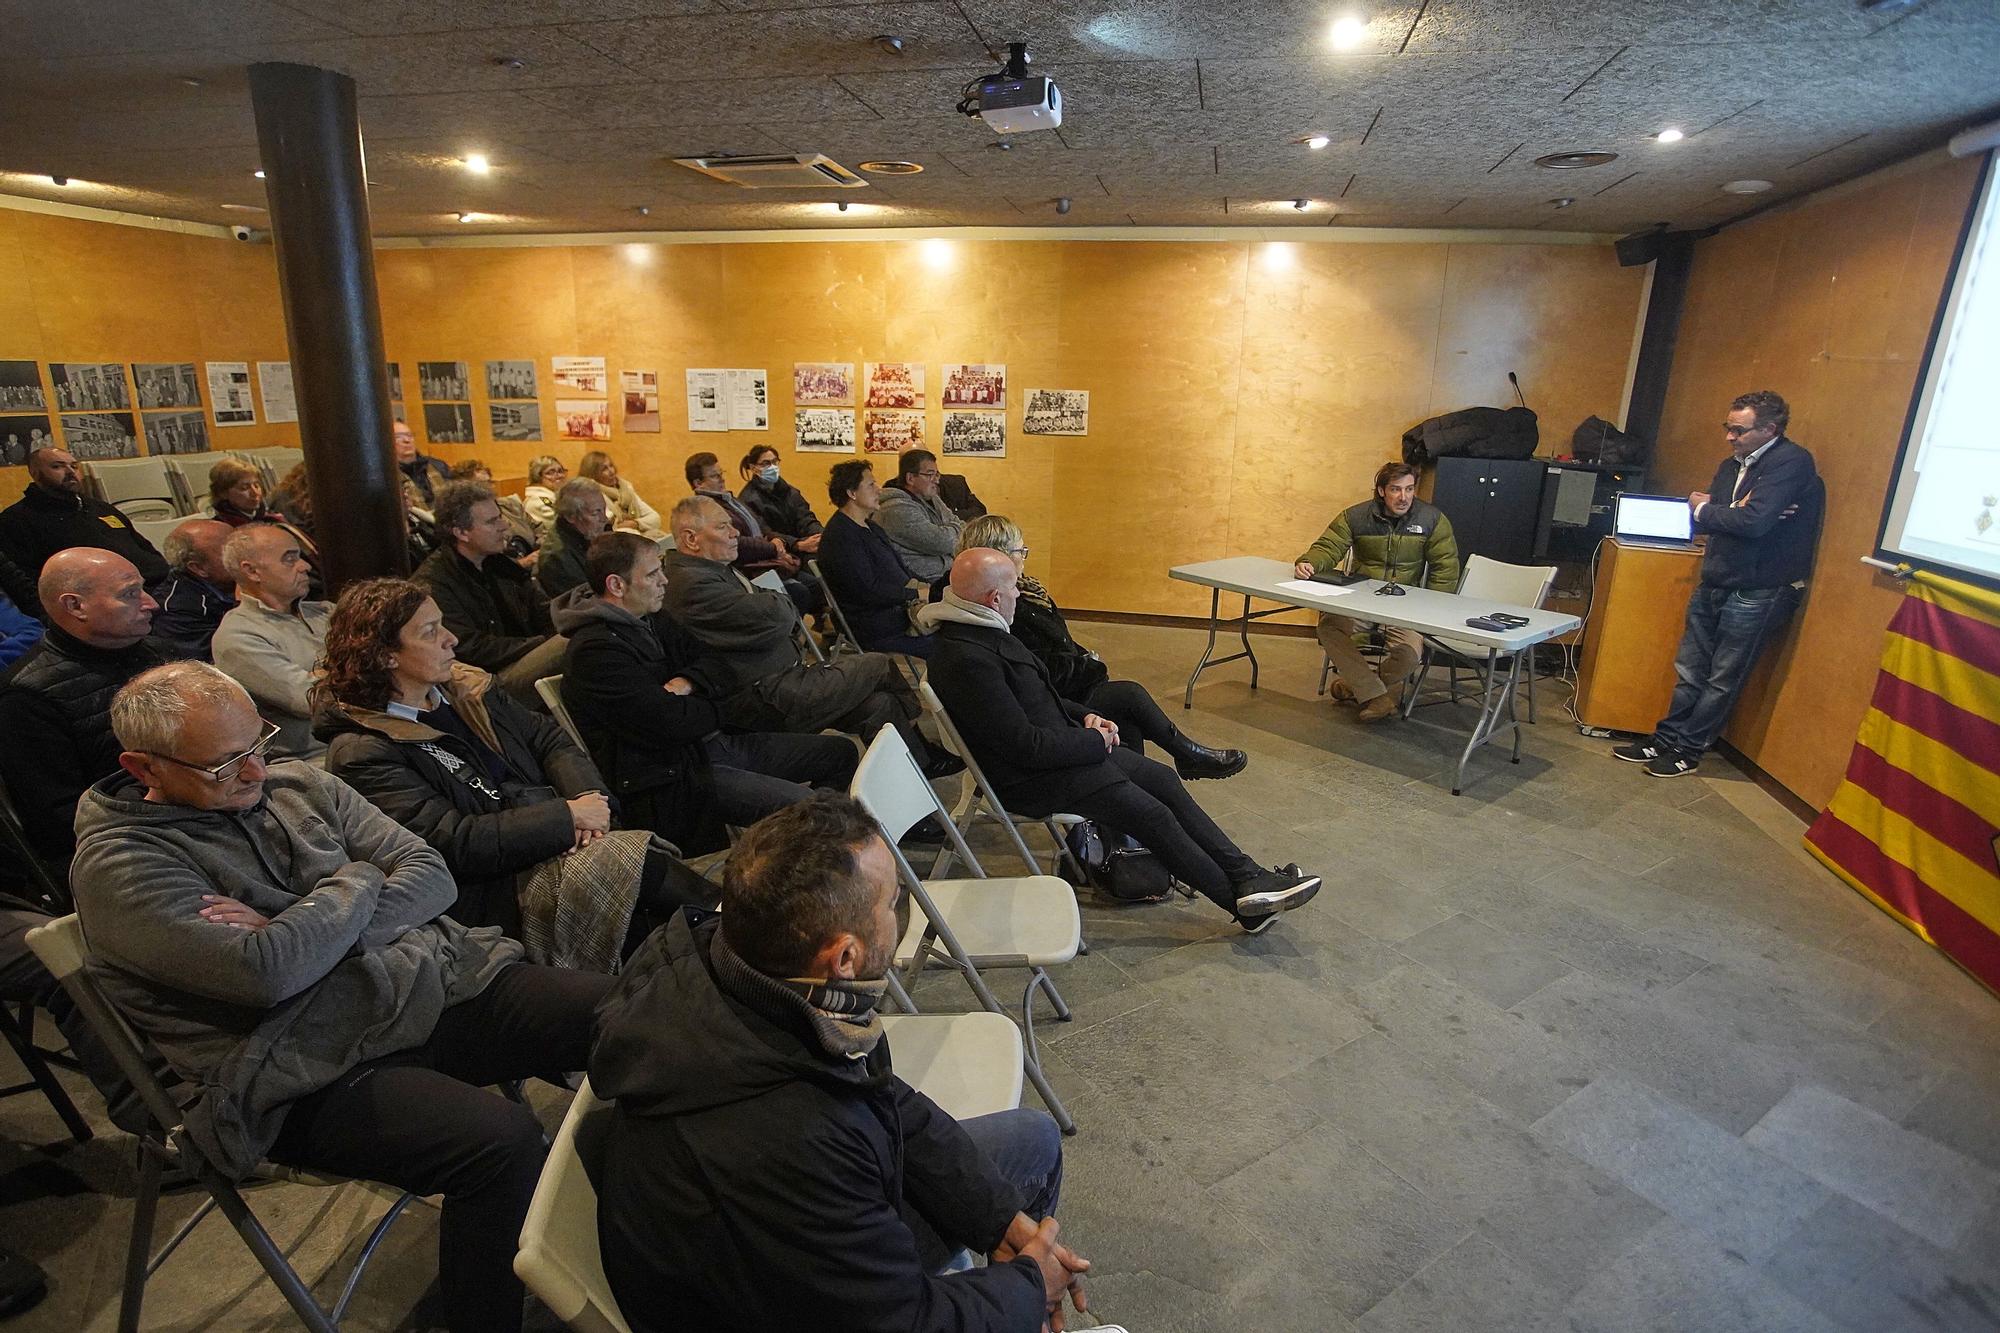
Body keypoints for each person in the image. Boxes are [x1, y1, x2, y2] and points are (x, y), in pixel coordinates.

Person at [72, 661, 610, 1333]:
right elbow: (269, 974)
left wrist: (308, 924)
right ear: (144, 768)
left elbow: (431, 873)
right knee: (498, 1142)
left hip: (412, 984)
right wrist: (357, 878)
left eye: (257, 743)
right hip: (291, 1063)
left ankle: (630, 1224)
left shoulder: (297, 778)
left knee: (621, 1014)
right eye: (223, 765)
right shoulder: (122, 865)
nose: (256, 772)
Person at [595, 794, 1095, 1333]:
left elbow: (882, 1095)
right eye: (892, 902)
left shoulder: (739, 964)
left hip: (807, 1250)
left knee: (1032, 1141)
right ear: (845, 957)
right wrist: (1025, 1287)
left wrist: (999, 1221)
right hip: (769, 1299)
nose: (900, 912)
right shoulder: (786, 1141)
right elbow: (897, 1322)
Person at [315, 578, 711, 971]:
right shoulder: (363, 750)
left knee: (647, 888)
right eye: (431, 632)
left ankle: (718, 940)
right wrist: (566, 818)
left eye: (444, 624)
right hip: (491, 888)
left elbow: (548, 739)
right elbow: (452, 842)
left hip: (548, 836)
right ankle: (732, 924)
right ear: (387, 656)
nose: (451, 639)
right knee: (633, 864)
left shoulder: (465, 689)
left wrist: (589, 803)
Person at [929, 549, 1319, 932]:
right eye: (1014, 588)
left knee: (1164, 781)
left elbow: (1036, 696)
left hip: (1061, 752)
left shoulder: (978, 628)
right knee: (1153, 816)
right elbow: (1022, 746)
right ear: (994, 597)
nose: (1019, 594)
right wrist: (1094, 741)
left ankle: (1247, 874)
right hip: (1032, 779)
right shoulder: (966, 658)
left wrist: (1084, 716)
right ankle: (1244, 905)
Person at [554, 532, 857, 857]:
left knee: (840, 752)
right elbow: (670, 724)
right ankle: (808, 863)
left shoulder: (651, 618)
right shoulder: (595, 653)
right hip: (677, 774)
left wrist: (686, 683)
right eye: (654, 574)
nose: (665, 581)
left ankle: (807, 854)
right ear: (617, 586)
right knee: (814, 810)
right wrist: (711, 699)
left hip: (711, 744)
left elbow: (718, 665)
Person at [660, 496, 960, 778]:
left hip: (782, 681)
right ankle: (921, 749)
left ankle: (916, 779)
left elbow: (777, 605)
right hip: (763, 697)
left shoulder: (714, 572)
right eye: (722, 526)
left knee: (880, 706)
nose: (734, 533)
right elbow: (780, 612)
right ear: (691, 539)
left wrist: (777, 611)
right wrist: (778, 611)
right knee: (878, 665)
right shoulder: (691, 585)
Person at [1614, 390, 1823, 778]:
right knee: (1690, 669)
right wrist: (1727, 511)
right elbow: (1703, 521)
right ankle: (1665, 738)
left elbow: (1752, 523)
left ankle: (1688, 751)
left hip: (1759, 588)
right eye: (1728, 428)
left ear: (1770, 429)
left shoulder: (1791, 463)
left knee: (1722, 677)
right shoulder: (1732, 465)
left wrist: (1714, 509)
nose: (1729, 437)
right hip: (1717, 578)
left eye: (1738, 430)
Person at [954, 514, 1244, 779]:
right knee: (1129, 697)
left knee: (1125, 717)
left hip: (1064, 686)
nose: (1025, 556)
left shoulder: (1028, 591)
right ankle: (1183, 758)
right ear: (999, 556)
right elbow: (1036, 668)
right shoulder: (1004, 603)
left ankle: (1133, 802)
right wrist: (1087, 664)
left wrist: (1082, 657)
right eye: (1020, 551)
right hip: (1049, 702)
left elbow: (1059, 641)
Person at [0, 549, 170, 866]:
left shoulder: (157, 653)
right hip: (128, 849)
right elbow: (61, 821)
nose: (151, 604)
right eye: (130, 594)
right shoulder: (26, 698)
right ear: (76, 606)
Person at [1293, 460, 1462, 723]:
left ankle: (1358, 688)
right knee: (1328, 627)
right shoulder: (1356, 516)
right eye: (1396, 489)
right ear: (1381, 491)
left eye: (1409, 489)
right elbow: (1329, 546)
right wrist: (1310, 562)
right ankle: (1378, 696)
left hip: (1404, 607)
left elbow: (1446, 568)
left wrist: (1433, 610)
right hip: (1360, 601)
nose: (1403, 497)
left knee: (1409, 654)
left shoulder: (1432, 520)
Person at [414, 480, 566, 706]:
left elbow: (542, 610)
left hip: (522, 656)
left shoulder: (498, 564)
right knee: (572, 642)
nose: (504, 526)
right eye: (492, 521)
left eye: (500, 517)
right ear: (461, 532)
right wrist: (540, 643)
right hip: (486, 682)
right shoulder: (434, 583)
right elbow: (469, 648)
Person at [0, 445, 169, 616]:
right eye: (57, 466)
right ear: (35, 473)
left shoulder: (100, 508)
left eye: (74, 466)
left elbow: (144, 548)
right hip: (108, 607)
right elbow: (29, 585)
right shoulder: (17, 520)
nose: (70, 472)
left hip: (158, 588)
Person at [211, 523, 331, 761]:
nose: (305, 566)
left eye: (300, 557)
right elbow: (311, 700)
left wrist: (321, 672)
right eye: (289, 559)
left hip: (370, 737)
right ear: (252, 571)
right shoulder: (238, 635)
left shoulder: (327, 611)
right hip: (315, 760)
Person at [818, 458, 935, 658]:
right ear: (851, 493)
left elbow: (901, 568)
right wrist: (916, 595)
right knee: (950, 644)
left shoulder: (870, 526)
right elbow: (868, 591)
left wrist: (931, 587)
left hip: (894, 612)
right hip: (874, 625)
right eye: (871, 485)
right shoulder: (841, 536)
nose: (879, 490)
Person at [688, 450, 823, 616]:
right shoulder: (708, 510)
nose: (722, 478)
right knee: (800, 591)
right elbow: (738, 542)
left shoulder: (729, 499)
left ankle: (817, 625)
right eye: (715, 476)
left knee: (815, 580)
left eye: (721, 473)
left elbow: (761, 526)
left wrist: (779, 541)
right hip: (749, 569)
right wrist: (775, 548)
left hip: (769, 556)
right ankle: (787, 635)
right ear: (698, 483)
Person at [147, 518, 237, 661]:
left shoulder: (243, 579)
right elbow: (216, 664)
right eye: (230, 551)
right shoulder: (177, 611)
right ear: (198, 568)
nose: (245, 555)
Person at [875, 449, 964, 584]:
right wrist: (953, 529)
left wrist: (951, 529)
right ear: (910, 478)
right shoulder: (896, 509)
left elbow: (958, 523)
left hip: (945, 572)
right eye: (930, 475)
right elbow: (942, 542)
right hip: (922, 582)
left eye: (937, 474)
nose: (936, 481)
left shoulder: (931, 497)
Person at [736, 444, 824, 555]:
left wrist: (821, 535)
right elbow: (764, 532)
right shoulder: (748, 499)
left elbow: (805, 518)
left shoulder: (790, 492)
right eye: (766, 463)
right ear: (753, 468)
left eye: (774, 462)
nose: (772, 467)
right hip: (778, 553)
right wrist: (797, 544)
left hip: (803, 546)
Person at [535, 476, 609, 600]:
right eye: (596, 513)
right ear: (571, 516)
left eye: (603, 510)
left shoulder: (586, 537)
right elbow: (584, 605)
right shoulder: (557, 557)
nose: (605, 519)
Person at [579, 450, 664, 540]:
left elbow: (655, 518)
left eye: (611, 466)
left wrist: (635, 524)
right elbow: (610, 530)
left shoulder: (626, 489)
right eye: (604, 469)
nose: (611, 471)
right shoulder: (592, 496)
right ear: (593, 475)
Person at [394, 418, 452, 506]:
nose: (407, 440)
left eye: (409, 435)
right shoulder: (387, 476)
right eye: (398, 437)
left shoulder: (439, 466)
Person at [205, 459, 277, 528]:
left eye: (256, 485)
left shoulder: (271, 520)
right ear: (223, 493)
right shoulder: (220, 527)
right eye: (244, 488)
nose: (255, 493)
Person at [521, 454, 569, 532]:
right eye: (550, 472)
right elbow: (562, 526)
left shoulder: (553, 496)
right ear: (537, 476)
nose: (558, 476)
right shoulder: (540, 501)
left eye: (560, 471)